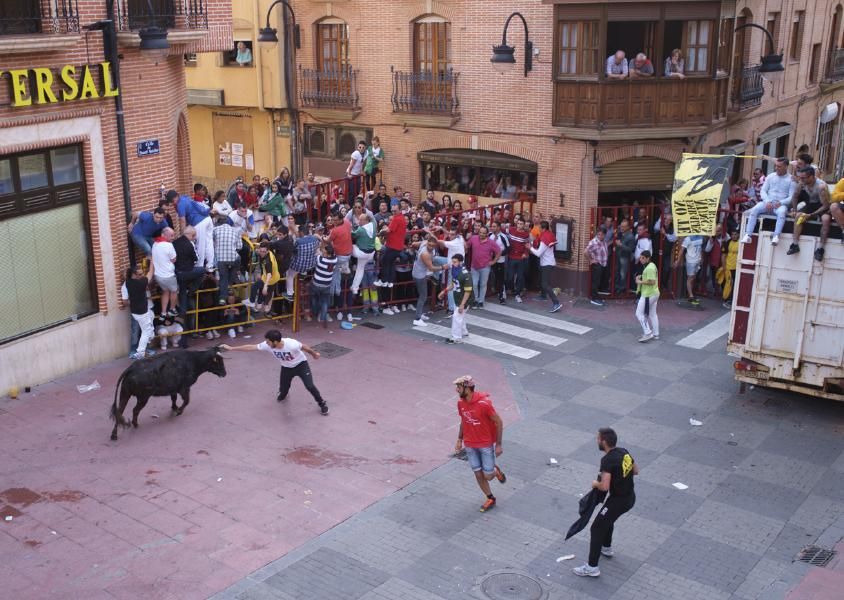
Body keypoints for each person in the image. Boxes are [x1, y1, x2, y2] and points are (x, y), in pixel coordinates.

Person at [573, 428, 638, 578]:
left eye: (598, 439)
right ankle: (606, 548)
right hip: (630, 498)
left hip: (618, 501)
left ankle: (592, 567)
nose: (597, 441)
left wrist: (595, 483)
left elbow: (604, 486)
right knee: (607, 520)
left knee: (596, 528)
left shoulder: (607, 460)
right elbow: (635, 471)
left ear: (604, 442)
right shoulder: (624, 452)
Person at [222, 329, 328, 415]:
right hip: (286, 368)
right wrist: (232, 348)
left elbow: (304, 347)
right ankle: (283, 393)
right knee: (283, 391)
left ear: (275, 342)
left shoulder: (291, 344)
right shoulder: (268, 345)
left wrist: (314, 354)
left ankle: (322, 403)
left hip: (301, 365)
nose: (266, 344)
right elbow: (251, 347)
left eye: (268, 342)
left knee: (309, 386)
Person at [452, 375, 506, 513]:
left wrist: (498, 444)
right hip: (470, 444)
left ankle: (495, 470)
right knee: (478, 474)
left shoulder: (484, 404)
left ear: (467, 388)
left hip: (485, 445)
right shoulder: (461, 404)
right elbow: (464, 421)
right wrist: (459, 439)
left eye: (458, 387)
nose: (456, 390)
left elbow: (498, 422)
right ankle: (490, 498)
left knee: (488, 475)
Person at [742, 158, 797, 246]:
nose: (776, 168)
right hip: (767, 202)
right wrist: (767, 201)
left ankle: (776, 236)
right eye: (776, 166)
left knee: (782, 212)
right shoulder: (770, 176)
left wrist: (781, 203)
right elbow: (763, 190)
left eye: (779, 166)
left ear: (786, 167)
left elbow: (791, 197)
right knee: (754, 209)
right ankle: (748, 234)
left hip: (780, 204)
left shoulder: (791, 179)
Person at [787, 166, 832, 262]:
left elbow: (826, 205)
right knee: (799, 216)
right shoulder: (801, 183)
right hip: (811, 204)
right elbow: (795, 196)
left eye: (803, 178)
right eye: (800, 177)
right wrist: (794, 210)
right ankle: (795, 244)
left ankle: (820, 249)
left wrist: (811, 215)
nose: (801, 179)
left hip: (823, 206)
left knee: (826, 220)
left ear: (811, 177)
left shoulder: (821, 186)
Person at [411, 234, 446, 327]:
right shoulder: (425, 254)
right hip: (419, 275)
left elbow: (414, 243)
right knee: (423, 296)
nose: (430, 246)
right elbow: (431, 268)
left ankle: (419, 314)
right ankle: (417, 318)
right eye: (429, 245)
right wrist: (443, 267)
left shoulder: (424, 242)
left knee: (423, 295)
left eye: (432, 245)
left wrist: (413, 245)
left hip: (418, 272)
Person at [438, 253, 472, 344]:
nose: (453, 264)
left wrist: (462, 304)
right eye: (452, 262)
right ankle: (464, 332)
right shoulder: (455, 270)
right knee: (461, 316)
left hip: (464, 299)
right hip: (458, 297)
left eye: (455, 262)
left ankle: (456, 337)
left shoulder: (466, 275)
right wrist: (444, 291)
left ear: (461, 262)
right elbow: (454, 283)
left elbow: (468, 291)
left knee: (457, 316)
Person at [125, 263, 156, 360]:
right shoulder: (140, 283)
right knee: (146, 332)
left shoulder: (128, 282)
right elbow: (150, 273)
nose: (141, 276)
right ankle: (140, 352)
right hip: (142, 312)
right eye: (139, 274)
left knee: (147, 330)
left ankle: (143, 350)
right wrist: (152, 262)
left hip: (135, 312)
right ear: (134, 275)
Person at [529, 221, 562, 313]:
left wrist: (529, 247)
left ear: (543, 228)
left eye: (539, 227)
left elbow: (538, 253)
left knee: (545, 284)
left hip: (547, 264)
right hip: (548, 263)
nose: (538, 229)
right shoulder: (549, 235)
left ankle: (556, 303)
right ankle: (543, 296)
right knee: (544, 282)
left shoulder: (544, 239)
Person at [466, 226, 501, 309]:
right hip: (474, 266)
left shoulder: (491, 242)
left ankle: (481, 301)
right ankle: (476, 300)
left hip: (485, 267)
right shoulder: (473, 238)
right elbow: (467, 245)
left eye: (483, 233)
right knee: (474, 284)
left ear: (487, 234)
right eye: (480, 232)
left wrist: (493, 261)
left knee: (483, 284)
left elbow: (499, 251)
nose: (481, 234)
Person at [376, 203, 407, 288]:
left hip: (392, 245)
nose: (393, 212)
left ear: (400, 210)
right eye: (392, 210)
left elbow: (388, 230)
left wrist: (379, 232)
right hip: (398, 245)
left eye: (395, 210)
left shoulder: (396, 219)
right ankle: (389, 281)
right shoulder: (401, 218)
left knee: (385, 262)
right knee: (390, 263)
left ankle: (383, 281)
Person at [213, 216, 243, 304]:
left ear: (219, 223)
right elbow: (239, 247)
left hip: (220, 259)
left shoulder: (215, 230)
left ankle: (222, 298)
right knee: (237, 262)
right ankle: (230, 284)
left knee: (223, 277)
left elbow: (211, 242)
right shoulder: (236, 231)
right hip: (233, 258)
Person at [151, 227, 178, 317]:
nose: (173, 237)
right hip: (168, 275)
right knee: (174, 291)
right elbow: (174, 259)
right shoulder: (169, 245)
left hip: (158, 276)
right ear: (163, 235)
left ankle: (163, 312)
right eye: (171, 235)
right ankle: (172, 309)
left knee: (165, 292)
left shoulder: (155, 244)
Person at [634, 250, 659, 342]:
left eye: (643, 258)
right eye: (640, 257)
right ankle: (656, 334)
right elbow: (651, 279)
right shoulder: (652, 266)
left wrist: (640, 281)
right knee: (653, 314)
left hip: (648, 294)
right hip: (654, 293)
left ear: (648, 258)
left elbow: (652, 281)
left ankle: (648, 333)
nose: (641, 259)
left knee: (638, 313)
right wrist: (642, 277)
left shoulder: (649, 268)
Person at [675, 234, 704, 305]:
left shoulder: (701, 237)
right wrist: (678, 261)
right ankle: (691, 296)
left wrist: (701, 258)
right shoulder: (688, 238)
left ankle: (691, 295)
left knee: (693, 278)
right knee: (690, 278)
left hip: (698, 261)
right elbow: (681, 250)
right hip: (690, 261)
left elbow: (700, 249)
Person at [506, 218, 530, 303]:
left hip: (520, 258)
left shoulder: (526, 235)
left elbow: (527, 245)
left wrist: (525, 253)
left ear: (524, 225)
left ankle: (517, 294)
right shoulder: (511, 230)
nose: (519, 225)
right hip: (511, 257)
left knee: (520, 277)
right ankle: (509, 290)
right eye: (518, 223)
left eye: (521, 224)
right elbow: (504, 233)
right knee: (510, 276)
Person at [585, 227, 607, 306]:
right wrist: (591, 260)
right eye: (598, 234)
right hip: (597, 265)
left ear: (604, 235)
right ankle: (594, 299)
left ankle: (597, 296)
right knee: (595, 282)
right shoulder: (593, 242)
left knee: (598, 282)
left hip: (602, 264)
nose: (600, 236)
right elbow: (586, 251)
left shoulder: (603, 241)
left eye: (602, 235)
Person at [489, 221, 510, 303]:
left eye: (494, 226)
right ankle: (493, 289)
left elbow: (508, 248)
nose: (492, 228)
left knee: (499, 278)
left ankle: (501, 295)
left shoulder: (503, 237)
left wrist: (500, 254)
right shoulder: (490, 235)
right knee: (491, 276)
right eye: (492, 226)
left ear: (498, 227)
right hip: (490, 260)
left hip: (500, 261)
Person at [614, 218, 635, 293]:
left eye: (623, 227)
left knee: (623, 273)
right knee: (617, 272)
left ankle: (622, 288)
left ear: (628, 227)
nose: (621, 228)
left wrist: (621, 245)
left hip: (625, 257)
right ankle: (616, 286)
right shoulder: (620, 233)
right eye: (621, 226)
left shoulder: (630, 236)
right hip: (618, 256)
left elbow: (631, 249)